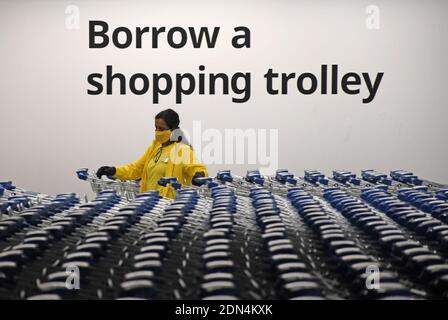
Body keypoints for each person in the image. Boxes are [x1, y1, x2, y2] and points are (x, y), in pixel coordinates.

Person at [96, 109, 208, 198]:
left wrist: (199, 175)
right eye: (156, 127)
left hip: (169, 207)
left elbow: (195, 167)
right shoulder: (154, 148)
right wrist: (114, 170)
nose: (157, 131)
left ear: (173, 130)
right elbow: (136, 169)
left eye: (161, 128)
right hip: (148, 204)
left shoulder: (182, 149)